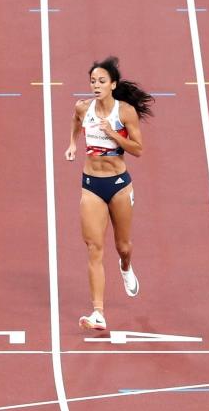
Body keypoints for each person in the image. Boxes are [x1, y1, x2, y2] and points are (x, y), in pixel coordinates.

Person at [65, 56, 153, 330]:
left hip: (118, 185)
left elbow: (138, 150)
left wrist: (112, 134)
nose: (96, 85)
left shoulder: (124, 112)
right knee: (94, 247)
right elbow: (76, 121)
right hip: (91, 184)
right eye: (93, 81)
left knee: (122, 246)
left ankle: (126, 267)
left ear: (113, 85)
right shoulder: (83, 107)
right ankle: (98, 313)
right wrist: (72, 145)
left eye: (102, 81)